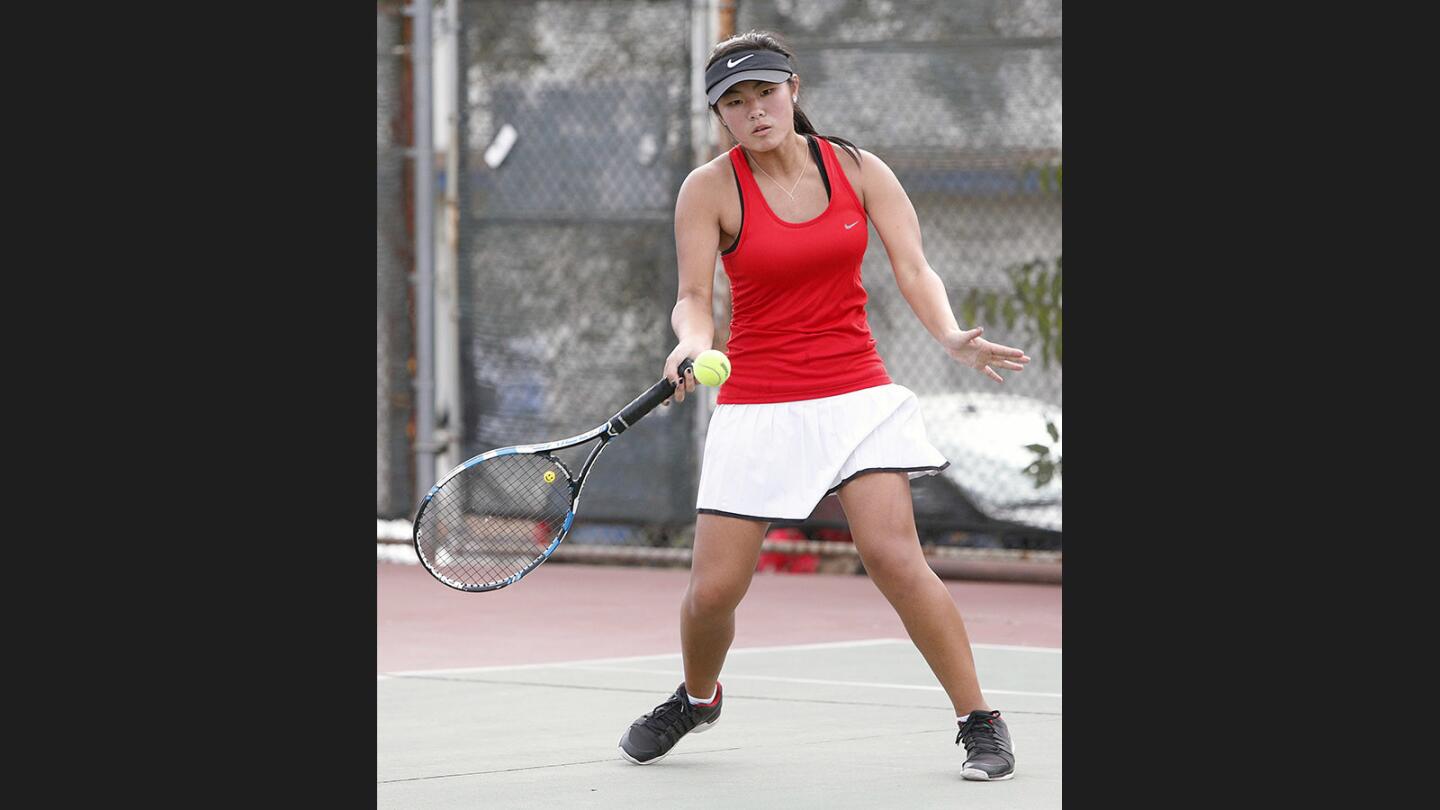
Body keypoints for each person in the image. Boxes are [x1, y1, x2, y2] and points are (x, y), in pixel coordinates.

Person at [617, 30, 1029, 782]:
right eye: (734, 103)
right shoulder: (708, 189)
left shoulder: (859, 169)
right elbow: (694, 298)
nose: (755, 111)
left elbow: (914, 266)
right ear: (722, 117)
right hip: (759, 400)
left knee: (895, 559)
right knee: (713, 593)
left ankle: (980, 721)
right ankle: (699, 697)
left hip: (855, 395)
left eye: (766, 93)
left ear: (794, 89)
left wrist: (948, 335)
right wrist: (687, 345)